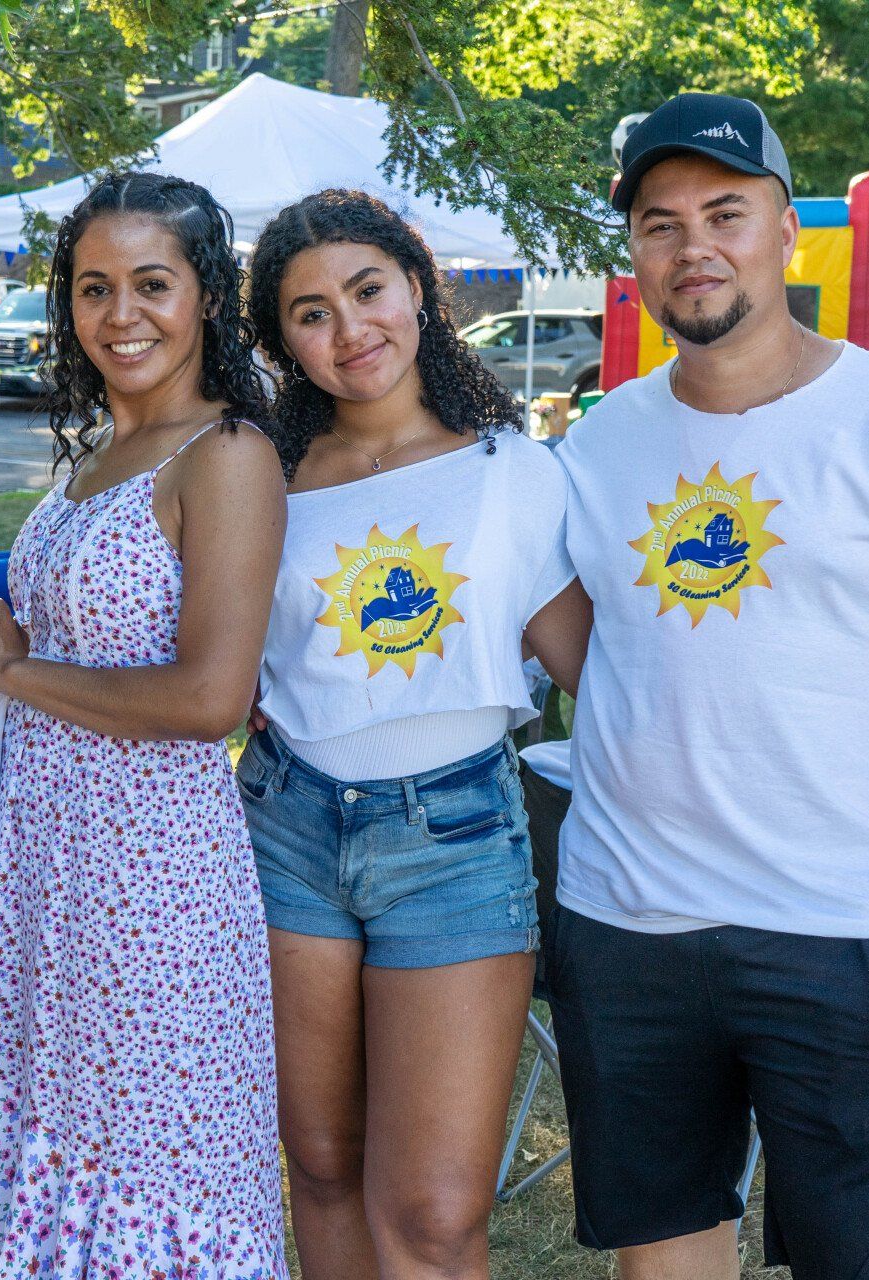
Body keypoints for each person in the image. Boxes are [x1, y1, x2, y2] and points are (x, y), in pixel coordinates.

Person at [549, 93, 869, 1279]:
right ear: (634, 255)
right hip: (627, 921)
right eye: (659, 224)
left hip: (844, 931)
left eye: (724, 211)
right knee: (662, 1254)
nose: (692, 245)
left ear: (784, 231)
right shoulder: (599, 446)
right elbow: (581, 649)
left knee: (860, 1260)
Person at [0, 172, 290, 1279]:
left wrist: (20, 671)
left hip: (150, 889)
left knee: (142, 1169)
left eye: (151, 284)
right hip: (49, 868)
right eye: (94, 288)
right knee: (62, 1145)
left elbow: (208, 697)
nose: (120, 314)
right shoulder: (96, 453)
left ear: (209, 298)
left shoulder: (225, 454)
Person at [239, 188, 585, 1279]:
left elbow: (604, 677)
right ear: (281, 340)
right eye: (309, 312)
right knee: (324, 1163)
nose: (349, 329)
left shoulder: (515, 474)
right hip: (285, 829)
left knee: (436, 1214)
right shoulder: (262, 479)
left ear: (420, 290)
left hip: (458, 840)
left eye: (367, 289)